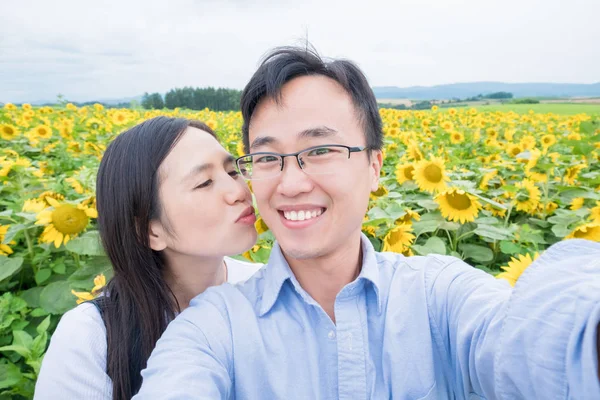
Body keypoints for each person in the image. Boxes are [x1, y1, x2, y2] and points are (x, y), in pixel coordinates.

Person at [134, 48, 600, 399]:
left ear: (375, 165)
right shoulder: (215, 329)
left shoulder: (438, 296)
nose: (291, 183)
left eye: (319, 150)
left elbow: (529, 344)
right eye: (268, 157)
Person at [34, 117, 262, 400]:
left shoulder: (270, 290)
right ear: (149, 230)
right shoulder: (92, 335)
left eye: (232, 171)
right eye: (204, 183)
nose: (239, 191)